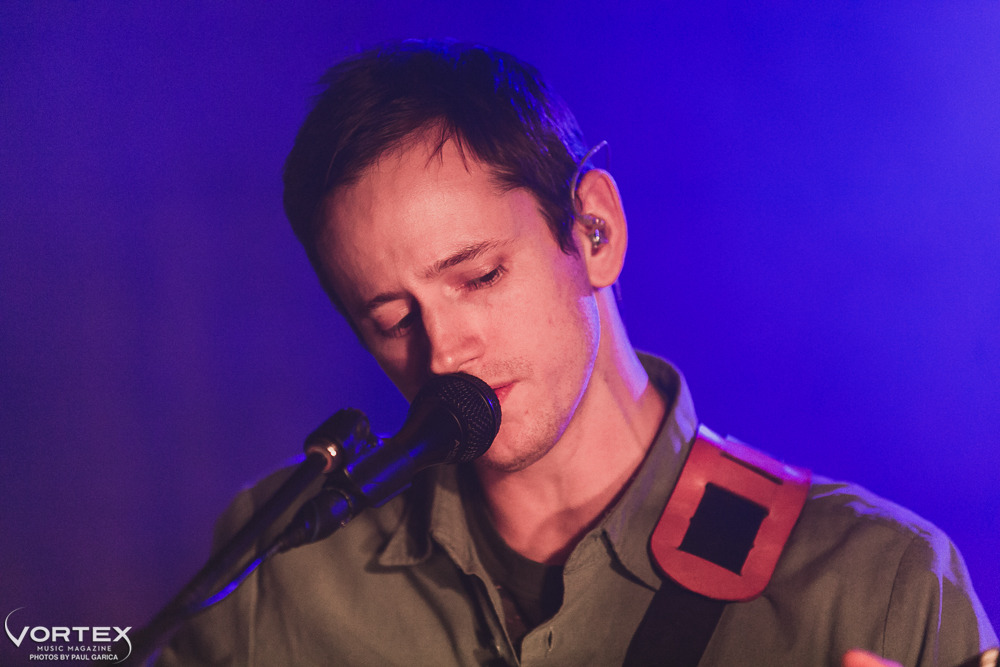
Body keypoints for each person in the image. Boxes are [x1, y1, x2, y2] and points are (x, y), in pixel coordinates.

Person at [160, 40, 996, 666]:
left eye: (479, 276)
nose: (446, 349)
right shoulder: (278, 566)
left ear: (594, 232)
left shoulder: (878, 584)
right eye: (391, 319)